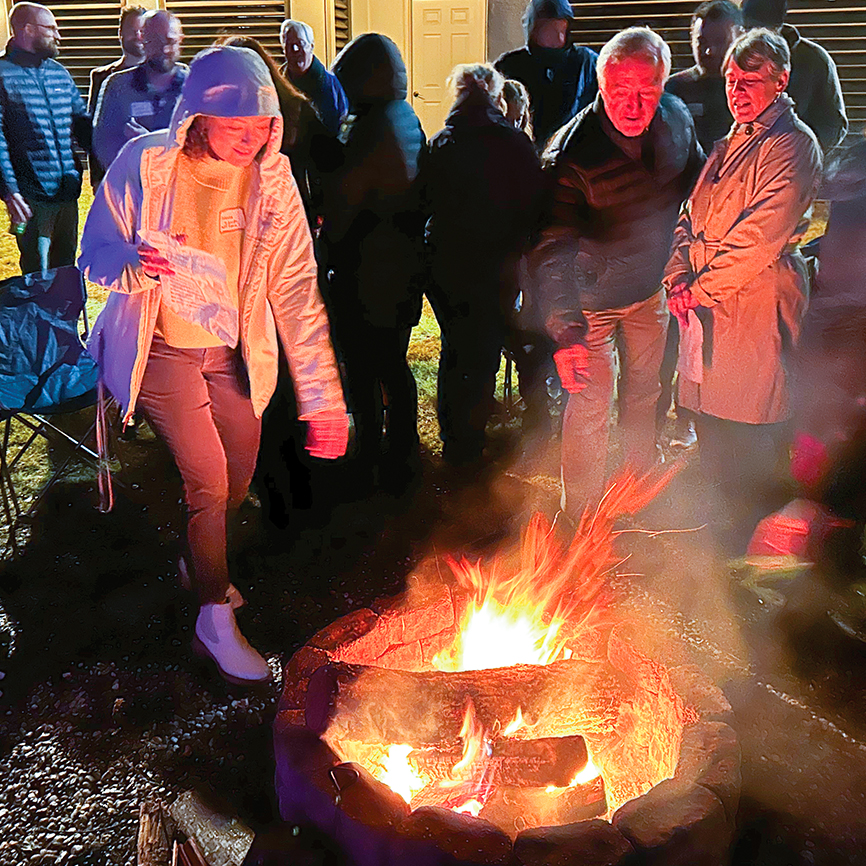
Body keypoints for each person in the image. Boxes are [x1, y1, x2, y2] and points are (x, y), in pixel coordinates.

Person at [79, 46, 348, 685]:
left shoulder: (271, 182)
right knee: (205, 474)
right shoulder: (145, 164)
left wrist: (323, 398)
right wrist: (134, 264)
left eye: (262, 128)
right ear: (198, 117)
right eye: (236, 128)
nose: (250, 141)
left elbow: (297, 292)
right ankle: (213, 618)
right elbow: (94, 252)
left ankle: (199, 562)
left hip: (227, 349)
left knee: (238, 466)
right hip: (161, 345)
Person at [534, 27, 703, 517]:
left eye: (645, 92)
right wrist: (567, 330)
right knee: (590, 405)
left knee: (646, 389)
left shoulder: (675, 120)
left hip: (650, 288)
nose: (633, 107)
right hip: (592, 302)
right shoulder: (570, 156)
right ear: (600, 87)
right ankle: (580, 511)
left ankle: (637, 484)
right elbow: (551, 248)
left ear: (663, 87)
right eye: (619, 93)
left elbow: (694, 185)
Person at [664, 29, 821, 554]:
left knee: (747, 433)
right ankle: (718, 537)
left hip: (754, 306)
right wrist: (676, 276)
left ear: (781, 81)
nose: (736, 90)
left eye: (749, 80)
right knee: (711, 426)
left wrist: (698, 289)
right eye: (730, 80)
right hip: (708, 305)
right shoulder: (730, 141)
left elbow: (759, 239)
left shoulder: (791, 146)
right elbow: (688, 217)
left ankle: (747, 550)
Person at [423, 64, 545, 468]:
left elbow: (424, 201)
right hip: (496, 266)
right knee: (482, 353)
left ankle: (456, 437)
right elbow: (533, 208)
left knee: (455, 349)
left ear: (457, 95)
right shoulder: (514, 143)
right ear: (495, 96)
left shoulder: (442, 142)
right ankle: (469, 445)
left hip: (446, 266)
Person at [321, 33, 426, 495]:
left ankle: (371, 453)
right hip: (402, 266)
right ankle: (404, 448)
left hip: (368, 273)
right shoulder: (406, 117)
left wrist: (329, 252)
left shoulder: (369, 130)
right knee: (393, 364)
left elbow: (343, 208)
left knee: (364, 368)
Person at [0, 2, 92, 275]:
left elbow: (81, 124)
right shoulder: (2, 75)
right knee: (38, 275)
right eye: (51, 28)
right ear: (27, 29)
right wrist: (9, 191)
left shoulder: (58, 73)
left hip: (67, 193)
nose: (58, 35)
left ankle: (64, 318)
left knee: (66, 271)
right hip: (32, 199)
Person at [741, 0, 847, 152]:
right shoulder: (731, 59)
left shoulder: (813, 59)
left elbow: (834, 124)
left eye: (765, 30)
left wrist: (801, 153)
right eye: (748, 29)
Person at [495, 0, 598, 151]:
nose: (552, 39)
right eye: (545, 31)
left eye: (558, 32)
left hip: (574, 155)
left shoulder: (587, 63)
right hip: (522, 154)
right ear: (532, 30)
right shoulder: (509, 65)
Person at [93, 10, 188, 173]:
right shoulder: (118, 87)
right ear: (143, 40)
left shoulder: (197, 87)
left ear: (181, 40)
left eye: (170, 41)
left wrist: (148, 143)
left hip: (182, 188)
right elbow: (104, 145)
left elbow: (208, 145)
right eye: (157, 42)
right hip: (134, 188)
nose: (164, 49)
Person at [666, 0, 743, 155]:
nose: (710, 51)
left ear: (740, 37)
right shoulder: (674, 88)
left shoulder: (750, 88)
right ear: (691, 39)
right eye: (702, 42)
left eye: (720, 41)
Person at [280, 19, 348, 136]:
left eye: (300, 44)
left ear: (311, 46)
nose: (295, 50)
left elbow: (343, 130)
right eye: (289, 45)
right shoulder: (276, 84)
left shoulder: (331, 86)